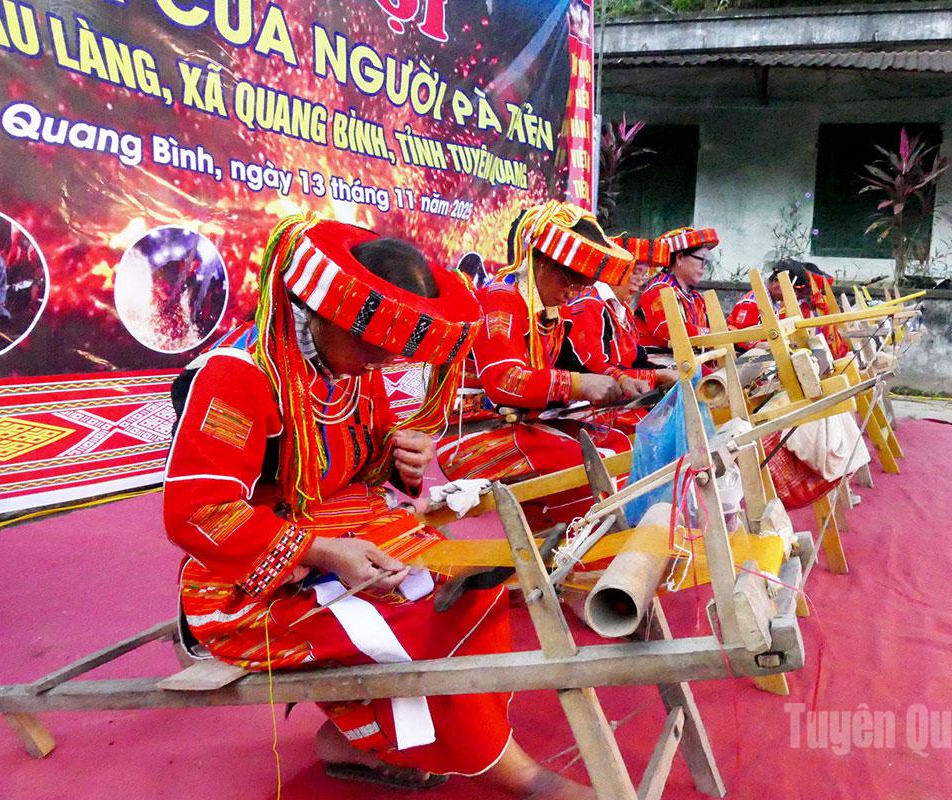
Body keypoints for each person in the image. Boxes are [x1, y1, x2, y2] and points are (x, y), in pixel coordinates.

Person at [163, 214, 593, 798]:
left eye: (394, 350)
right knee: (420, 619)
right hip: (248, 584)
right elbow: (196, 512)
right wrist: (321, 551)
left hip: (350, 534)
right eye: (372, 344)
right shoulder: (239, 376)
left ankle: (367, 744)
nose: (383, 362)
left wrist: (400, 458)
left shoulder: (351, 364)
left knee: (472, 590)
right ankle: (519, 775)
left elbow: (361, 463)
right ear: (323, 311)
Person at [437, 201, 637, 528]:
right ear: (541, 262)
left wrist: (619, 379)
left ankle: (567, 536)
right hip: (473, 434)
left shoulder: (549, 309)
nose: (574, 291)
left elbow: (579, 362)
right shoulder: (501, 299)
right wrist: (580, 385)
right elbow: (503, 380)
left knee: (616, 443)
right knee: (581, 464)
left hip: (519, 426)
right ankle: (579, 553)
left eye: (583, 283)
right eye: (570, 278)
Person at [563, 234, 677, 400]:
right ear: (614, 268)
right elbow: (594, 369)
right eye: (636, 273)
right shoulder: (589, 305)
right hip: (592, 403)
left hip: (623, 395)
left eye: (644, 275)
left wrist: (661, 371)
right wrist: (656, 376)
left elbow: (634, 358)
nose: (640, 282)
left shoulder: (620, 307)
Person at [635, 227, 719, 349]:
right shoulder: (659, 290)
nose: (704, 267)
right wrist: (715, 335)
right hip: (659, 362)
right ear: (680, 258)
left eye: (707, 262)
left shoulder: (695, 297)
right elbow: (671, 331)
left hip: (685, 362)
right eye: (702, 260)